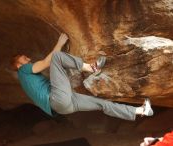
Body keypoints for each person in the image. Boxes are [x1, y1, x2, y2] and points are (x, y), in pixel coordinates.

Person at [10, 33, 153, 121]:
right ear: (17, 65)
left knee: (102, 104)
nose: (28, 58)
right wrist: (60, 42)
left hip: (63, 107)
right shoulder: (23, 70)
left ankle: (140, 111)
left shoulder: (27, 80)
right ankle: (92, 68)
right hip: (57, 99)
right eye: (24, 58)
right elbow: (47, 62)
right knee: (57, 57)